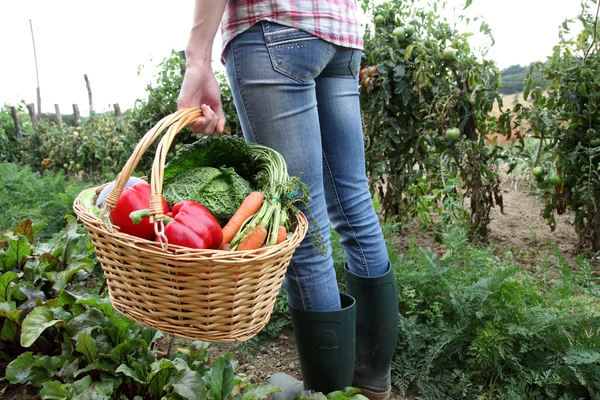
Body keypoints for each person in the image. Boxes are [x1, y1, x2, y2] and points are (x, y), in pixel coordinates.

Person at [177, 1, 399, 399]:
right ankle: (370, 382)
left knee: (300, 216)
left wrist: (198, 56)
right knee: (354, 201)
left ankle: (327, 392)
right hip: (340, 32)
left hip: (272, 26)